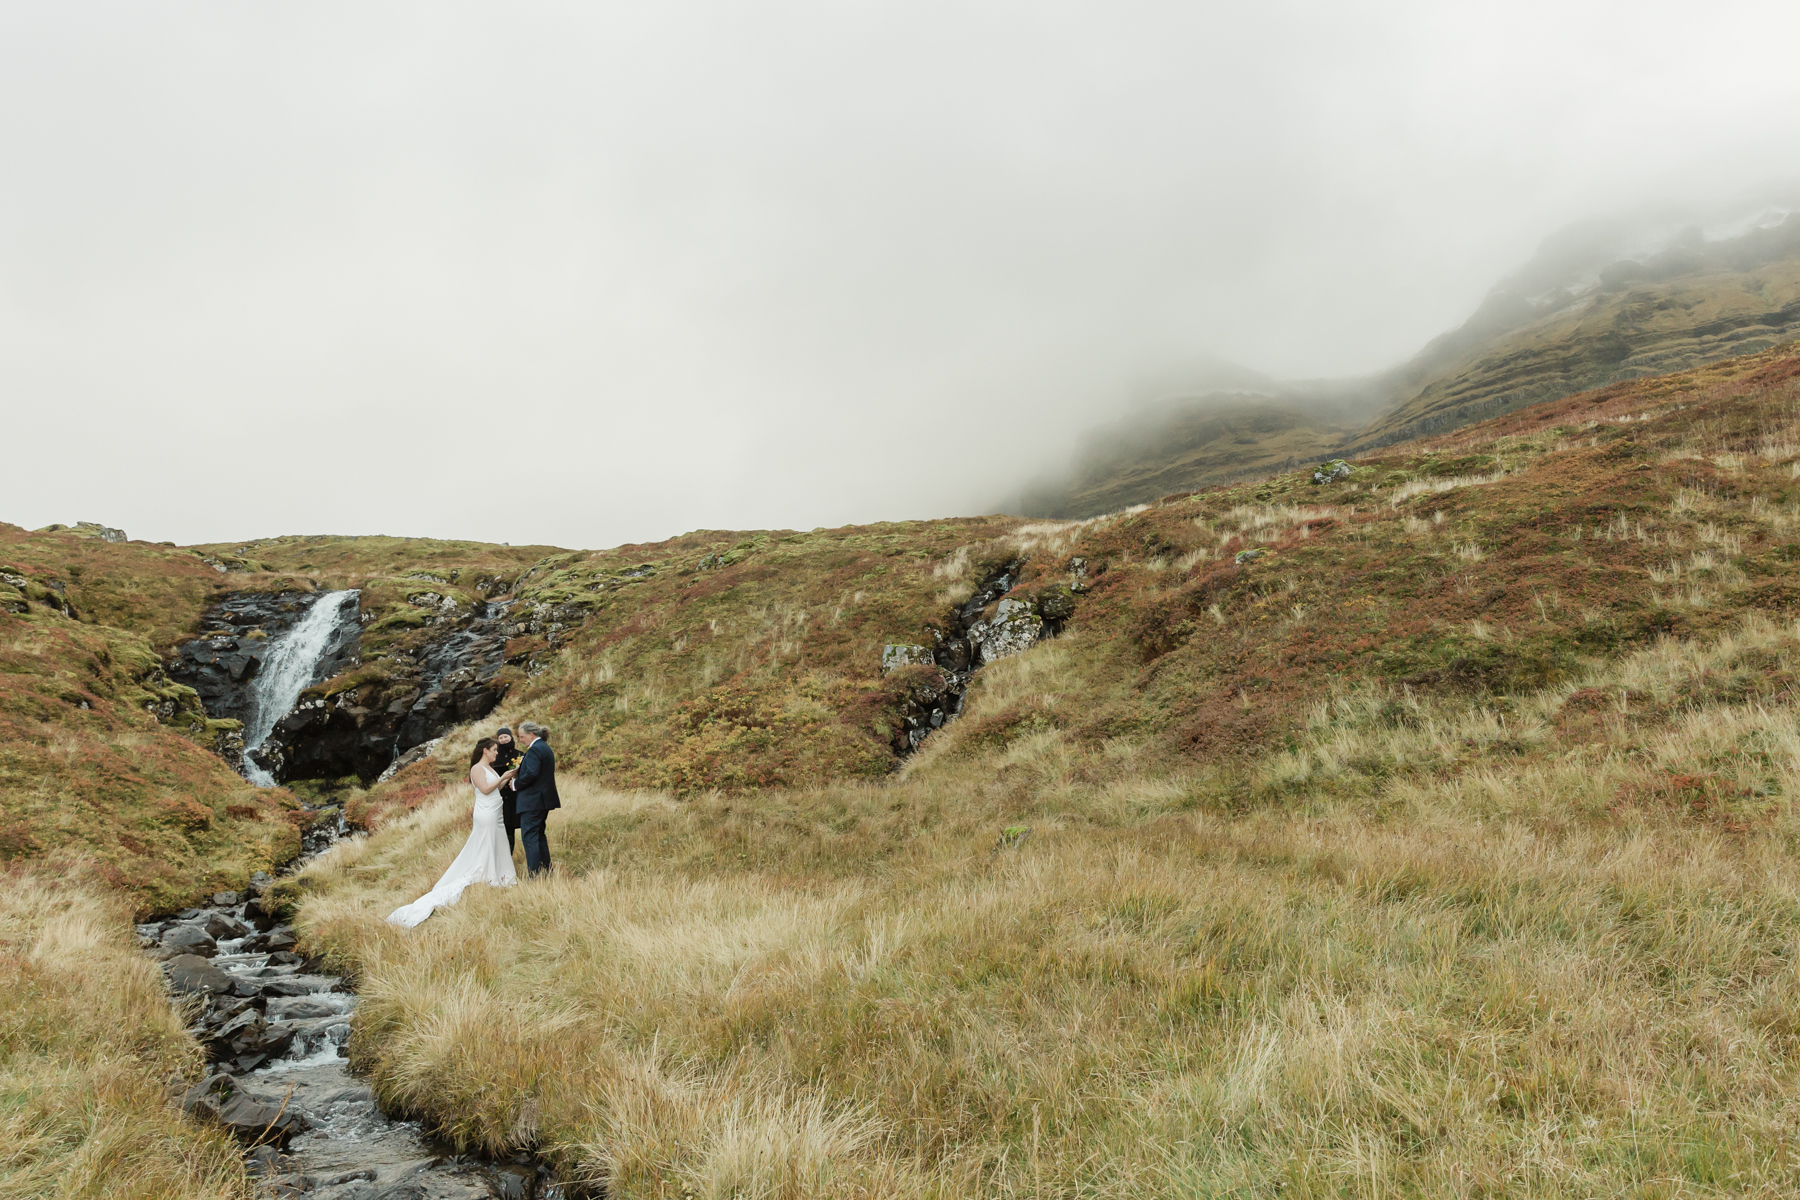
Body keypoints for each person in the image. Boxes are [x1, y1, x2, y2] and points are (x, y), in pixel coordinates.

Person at [385, 737, 518, 927]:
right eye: (494, 750)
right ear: (485, 751)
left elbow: (496, 787)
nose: (497, 753)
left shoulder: (489, 767)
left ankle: (500, 874)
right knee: (486, 844)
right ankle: (487, 876)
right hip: (486, 814)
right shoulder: (476, 769)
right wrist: (504, 776)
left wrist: (506, 778)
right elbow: (485, 789)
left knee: (498, 842)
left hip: (495, 812)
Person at [513, 720, 560, 877]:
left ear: (530, 735)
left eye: (521, 737)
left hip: (532, 801)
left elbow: (532, 774)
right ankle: (546, 871)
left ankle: (534, 875)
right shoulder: (545, 748)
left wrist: (516, 784)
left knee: (530, 837)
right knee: (539, 836)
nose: (520, 740)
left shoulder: (534, 750)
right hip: (542, 800)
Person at [492, 726, 523, 855]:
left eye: (506, 736)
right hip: (500, 797)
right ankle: (506, 857)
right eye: (501, 737)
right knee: (505, 829)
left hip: (517, 797)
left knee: (519, 826)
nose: (504, 739)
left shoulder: (519, 754)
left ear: (511, 737)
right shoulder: (494, 757)